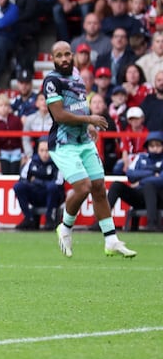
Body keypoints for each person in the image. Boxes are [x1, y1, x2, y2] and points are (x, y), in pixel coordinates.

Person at [42, 41, 137, 258]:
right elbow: (59, 115)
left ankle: (111, 240)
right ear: (53, 59)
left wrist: (89, 125)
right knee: (83, 187)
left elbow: (77, 104)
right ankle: (65, 227)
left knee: (99, 188)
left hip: (83, 140)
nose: (64, 58)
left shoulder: (76, 74)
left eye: (67, 54)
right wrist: (89, 118)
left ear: (72, 55)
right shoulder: (52, 81)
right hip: (64, 143)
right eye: (59, 56)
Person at [108, 130, 163, 232]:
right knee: (116, 186)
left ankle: (152, 225)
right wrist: (152, 172)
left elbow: (160, 179)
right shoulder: (140, 157)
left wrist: (140, 181)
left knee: (149, 185)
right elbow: (130, 174)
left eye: (158, 145)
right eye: (152, 146)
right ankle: (102, 222)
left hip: (158, 196)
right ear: (147, 147)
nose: (155, 149)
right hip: (139, 196)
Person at [12, 137, 64, 230]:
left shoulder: (57, 162)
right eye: (42, 150)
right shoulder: (31, 161)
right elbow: (22, 179)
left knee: (52, 188)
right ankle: (28, 218)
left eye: (47, 151)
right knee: (18, 187)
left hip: (51, 196)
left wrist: (36, 181)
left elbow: (58, 184)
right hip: (35, 195)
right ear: (38, 151)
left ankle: (49, 219)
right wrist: (40, 183)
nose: (44, 154)